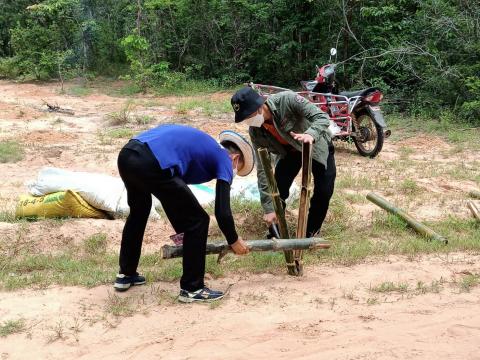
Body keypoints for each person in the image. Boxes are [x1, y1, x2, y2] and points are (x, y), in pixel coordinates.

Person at [114, 124, 254, 303]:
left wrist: (182, 234)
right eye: (238, 168)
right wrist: (234, 240)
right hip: (152, 162)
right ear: (235, 158)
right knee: (199, 220)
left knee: (139, 211)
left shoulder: (203, 149)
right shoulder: (224, 159)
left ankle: (126, 274)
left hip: (128, 155)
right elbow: (222, 212)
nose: (233, 172)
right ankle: (192, 288)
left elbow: (172, 199)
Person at [231, 87, 336, 238]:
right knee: (277, 191)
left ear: (260, 106)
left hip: (317, 146)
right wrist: (268, 208)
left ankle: (310, 234)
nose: (248, 121)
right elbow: (263, 169)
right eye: (244, 118)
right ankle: (276, 233)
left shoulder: (287, 100)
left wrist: (310, 134)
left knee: (323, 191)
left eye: (249, 115)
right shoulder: (255, 131)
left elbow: (322, 117)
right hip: (290, 153)